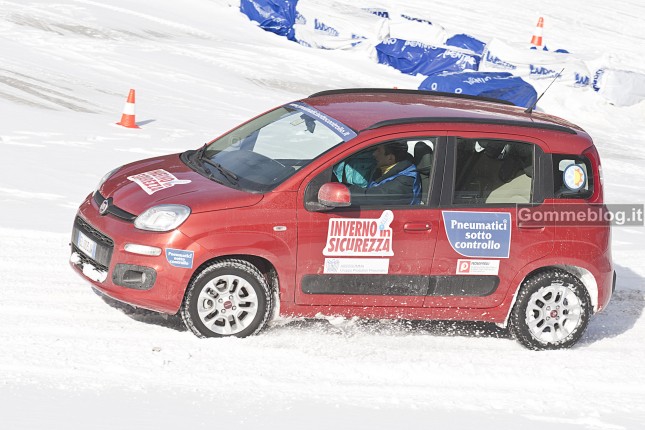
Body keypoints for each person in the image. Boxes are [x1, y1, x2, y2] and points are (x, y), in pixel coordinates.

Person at [348, 141, 421, 205]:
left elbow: (369, 198)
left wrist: (345, 190)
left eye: (379, 150)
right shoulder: (386, 168)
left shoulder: (402, 183)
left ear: (390, 158)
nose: (374, 153)